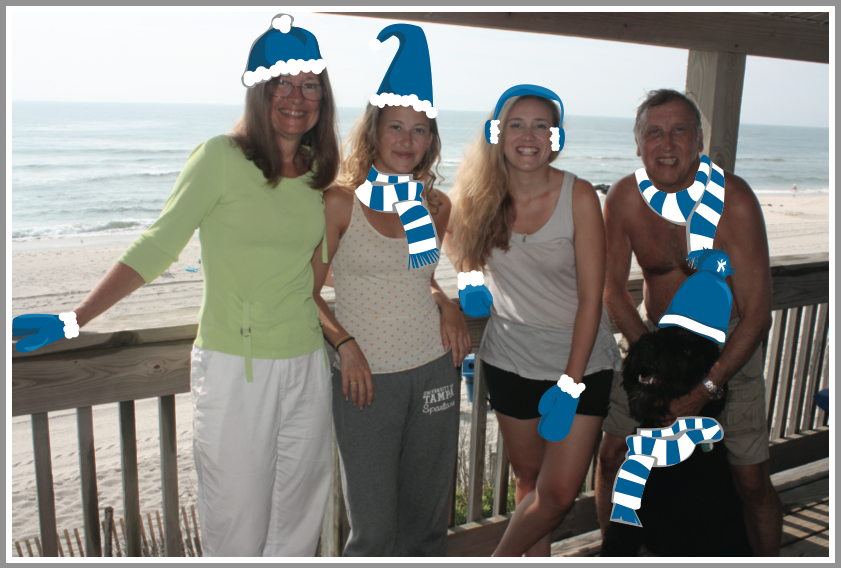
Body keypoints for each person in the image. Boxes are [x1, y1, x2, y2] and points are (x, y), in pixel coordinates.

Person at [58, 15, 339, 556]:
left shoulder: (318, 174)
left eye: (310, 85)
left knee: (300, 525)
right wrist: (74, 319)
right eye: (282, 82)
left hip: (307, 365)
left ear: (322, 99)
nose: (296, 97)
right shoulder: (219, 158)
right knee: (236, 526)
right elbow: (158, 246)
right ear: (259, 90)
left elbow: (318, 270)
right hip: (237, 368)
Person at [596, 89, 782, 556]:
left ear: (699, 141)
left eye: (679, 131)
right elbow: (612, 290)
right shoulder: (623, 198)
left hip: (728, 346)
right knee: (613, 457)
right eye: (654, 132)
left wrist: (704, 388)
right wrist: (651, 357)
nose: (667, 144)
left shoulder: (734, 200)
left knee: (750, 479)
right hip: (653, 340)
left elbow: (757, 314)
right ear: (638, 143)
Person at [311, 22, 470, 556]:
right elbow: (305, 292)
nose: (406, 140)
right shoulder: (340, 202)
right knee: (373, 532)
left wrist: (445, 302)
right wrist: (345, 344)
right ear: (374, 132)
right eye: (396, 127)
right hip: (367, 379)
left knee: (427, 526)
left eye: (419, 130)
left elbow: (417, 277)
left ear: (431, 140)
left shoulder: (435, 205)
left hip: (434, 369)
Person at [444, 87, 621, 557]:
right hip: (510, 359)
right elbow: (450, 232)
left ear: (555, 138)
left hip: (579, 363)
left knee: (557, 495)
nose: (528, 136)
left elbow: (592, 300)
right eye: (516, 124)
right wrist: (467, 277)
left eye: (541, 125)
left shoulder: (579, 195)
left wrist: (571, 382)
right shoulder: (479, 195)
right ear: (497, 133)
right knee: (529, 481)